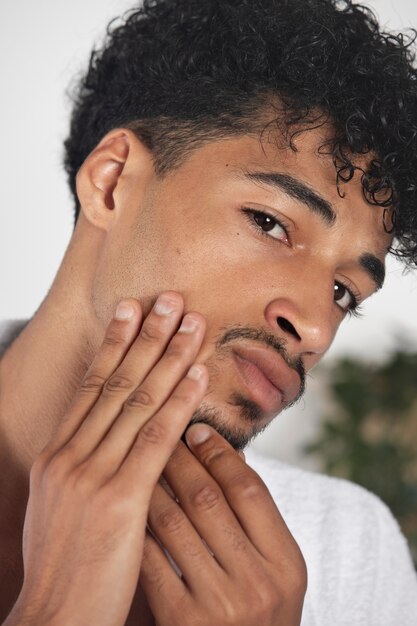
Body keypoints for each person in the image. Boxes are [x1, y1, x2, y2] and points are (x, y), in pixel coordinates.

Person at [1, 0, 417, 624]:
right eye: (271, 223)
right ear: (113, 182)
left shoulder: (348, 547)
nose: (314, 327)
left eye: (344, 294)